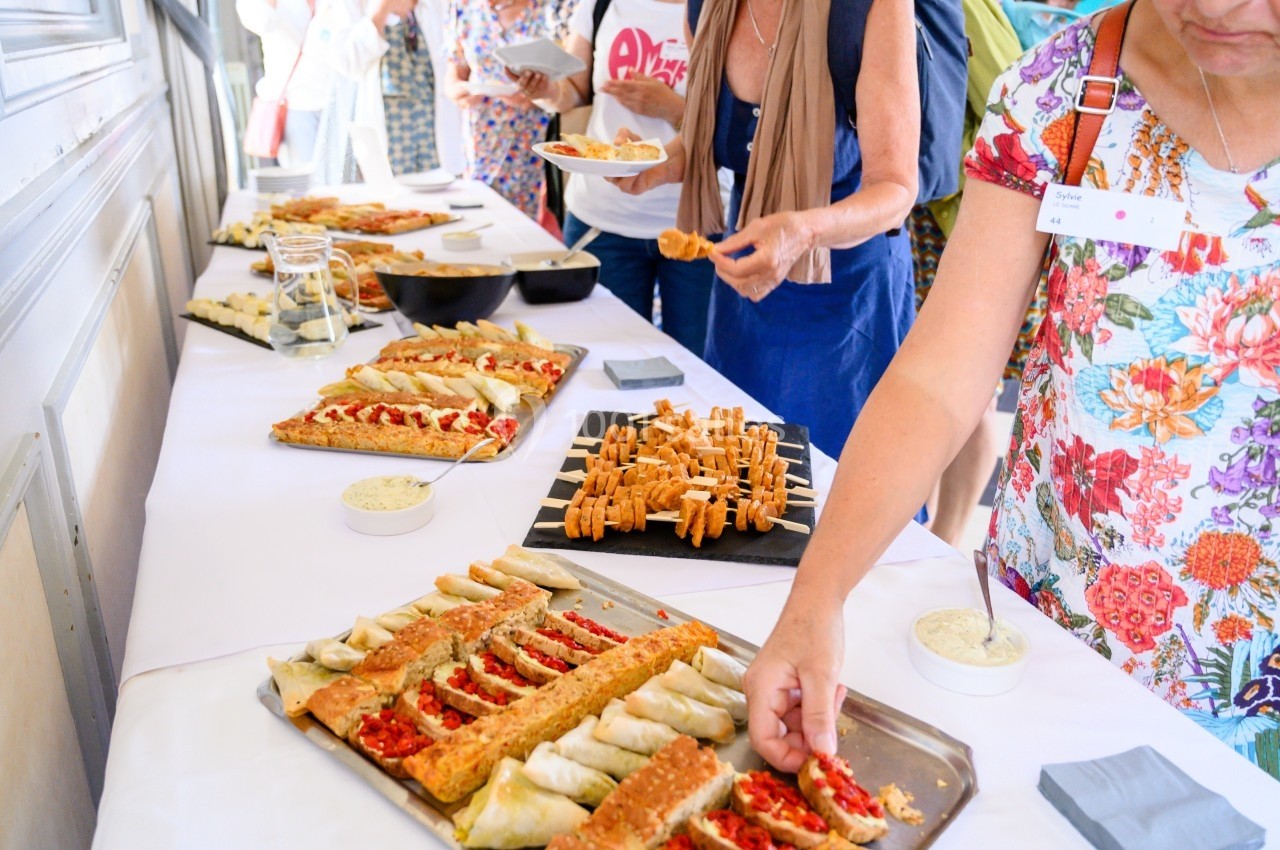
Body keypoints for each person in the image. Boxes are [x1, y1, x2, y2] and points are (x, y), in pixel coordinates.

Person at [745, 0, 1280, 777]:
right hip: (1044, 646)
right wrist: (816, 599)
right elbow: (939, 377)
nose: (1212, 7)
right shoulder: (1063, 87)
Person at [613, 0, 922, 461]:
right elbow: (714, 138)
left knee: (838, 484)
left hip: (847, 300)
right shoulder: (706, 8)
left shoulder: (870, 7)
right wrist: (654, 164)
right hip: (746, 286)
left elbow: (895, 189)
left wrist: (805, 231)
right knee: (736, 477)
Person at [512, 0, 716, 354]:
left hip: (695, 223)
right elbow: (573, 91)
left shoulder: (727, 10)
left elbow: (744, 120)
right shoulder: (600, 4)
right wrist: (546, 91)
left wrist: (672, 108)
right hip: (602, 220)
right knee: (600, 360)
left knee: (696, 365)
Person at [907, 0, 1023, 547]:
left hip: (950, 218)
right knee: (918, 383)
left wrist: (938, 166)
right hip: (916, 216)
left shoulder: (964, 5)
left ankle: (949, 537)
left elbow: (1015, 104)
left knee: (968, 387)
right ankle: (923, 527)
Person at [314, 0, 464, 176]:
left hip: (434, 133)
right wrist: (382, 10)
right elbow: (347, 62)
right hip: (387, 132)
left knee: (435, 196)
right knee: (391, 199)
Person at [443, 0, 553, 219]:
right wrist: (457, 90)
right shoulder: (463, 5)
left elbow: (572, 82)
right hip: (480, 137)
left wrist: (534, 94)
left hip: (531, 136)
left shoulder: (552, 7)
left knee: (521, 226)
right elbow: (454, 71)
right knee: (477, 219)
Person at [237, 0, 333, 165]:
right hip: (294, 104)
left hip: (337, 99)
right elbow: (262, 21)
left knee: (345, 184)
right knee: (304, 184)